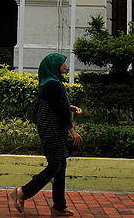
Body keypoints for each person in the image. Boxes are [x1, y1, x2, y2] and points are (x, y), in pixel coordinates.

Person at [10, 53, 83, 217]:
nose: (65, 66)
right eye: (63, 63)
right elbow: (57, 110)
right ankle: (22, 192)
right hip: (53, 131)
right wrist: (72, 131)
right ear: (54, 65)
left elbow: (56, 104)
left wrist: (71, 107)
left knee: (60, 166)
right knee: (55, 166)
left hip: (53, 130)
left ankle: (58, 206)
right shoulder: (52, 85)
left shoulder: (51, 84)